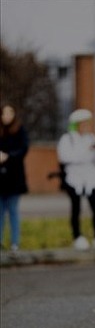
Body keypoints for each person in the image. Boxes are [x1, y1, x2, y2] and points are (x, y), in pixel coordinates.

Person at [57, 109, 95, 250]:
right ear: (76, 124)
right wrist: (87, 151)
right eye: (83, 124)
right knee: (76, 208)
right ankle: (77, 236)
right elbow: (66, 157)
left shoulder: (91, 138)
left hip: (90, 179)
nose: (86, 127)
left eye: (87, 124)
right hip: (74, 179)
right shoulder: (67, 139)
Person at [0, 104, 29, 252]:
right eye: (4, 113)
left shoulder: (20, 130)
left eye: (9, 113)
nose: (6, 116)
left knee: (12, 211)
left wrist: (8, 156)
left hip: (14, 178)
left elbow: (24, 149)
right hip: (1, 179)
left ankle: (15, 243)